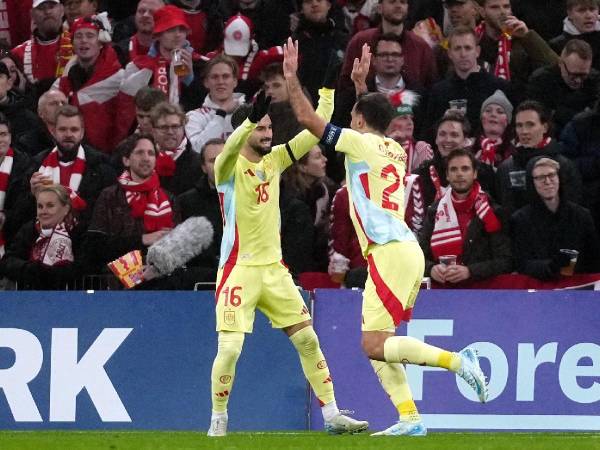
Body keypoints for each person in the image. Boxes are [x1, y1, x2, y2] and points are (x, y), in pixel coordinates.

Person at [284, 38, 488, 436]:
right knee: (378, 341)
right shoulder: (392, 147)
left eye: (354, 115)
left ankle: (459, 362)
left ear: (357, 120)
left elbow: (310, 119)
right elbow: (370, 119)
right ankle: (409, 417)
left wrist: (293, 79)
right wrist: (362, 89)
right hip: (400, 250)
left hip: (391, 251)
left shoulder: (360, 142)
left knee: (374, 344)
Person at [207, 79, 368, 436]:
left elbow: (312, 133)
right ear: (245, 129)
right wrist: (249, 120)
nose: (268, 132)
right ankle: (218, 419)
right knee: (231, 348)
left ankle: (332, 415)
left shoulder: (276, 159)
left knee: (308, 340)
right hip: (238, 270)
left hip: (274, 270)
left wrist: (326, 91)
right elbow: (230, 147)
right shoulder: (228, 169)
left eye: (268, 127)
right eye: (261, 127)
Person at [419, 149, 512, 285]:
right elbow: (419, 256)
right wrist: (431, 269)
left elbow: (506, 261)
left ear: (474, 174)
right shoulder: (434, 211)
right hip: (443, 291)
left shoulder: (492, 212)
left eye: (465, 169)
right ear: (447, 176)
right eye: (454, 169)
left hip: (481, 291)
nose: (459, 174)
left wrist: (470, 271)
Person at [85, 133, 176, 273]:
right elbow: (95, 246)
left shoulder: (169, 198)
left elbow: (178, 246)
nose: (146, 158)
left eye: (151, 153)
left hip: (159, 278)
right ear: (126, 160)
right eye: (139, 152)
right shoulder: (109, 196)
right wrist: (143, 239)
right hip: (117, 279)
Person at [28, 105, 117, 231]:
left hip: (84, 240)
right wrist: (31, 194)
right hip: (42, 236)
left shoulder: (101, 167)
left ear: (82, 133)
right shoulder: (36, 165)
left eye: (74, 130)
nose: (68, 134)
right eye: (63, 129)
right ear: (53, 132)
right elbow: (22, 215)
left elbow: (106, 215)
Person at [511, 157, 600, 279]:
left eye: (551, 175)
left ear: (559, 178)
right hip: (540, 287)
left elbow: (594, 259)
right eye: (540, 177)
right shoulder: (520, 219)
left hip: (577, 287)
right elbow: (521, 263)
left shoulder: (581, 215)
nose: (547, 181)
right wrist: (551, 266)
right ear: (531, 183)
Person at [53, 13, 127, 153]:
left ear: (100, 43)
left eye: (90, 36)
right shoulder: (66, 79)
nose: (83, 41)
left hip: (107, 153)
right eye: (79, 36)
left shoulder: (118, 78)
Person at [496, 100, 582, 213]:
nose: (524, 131)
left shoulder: (564, 166)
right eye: (519, 125)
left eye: (530, 125)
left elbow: (573, 212)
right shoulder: (506, 168)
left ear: (545, 127)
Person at [425, 27, 511, 134]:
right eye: (457, 48)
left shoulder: (499, 87)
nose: (463, 54)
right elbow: (427, 133)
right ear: (449, 54)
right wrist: (444, 121)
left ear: (477, 51)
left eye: (468, 48)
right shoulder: (439, 91)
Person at [0, 184, 85, 289]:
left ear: (65, 209)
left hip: (72, 298)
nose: (44, 211)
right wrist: (32, 269)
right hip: (28, 297)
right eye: (40, 206)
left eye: (50, 206)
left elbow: (84, 266)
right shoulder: (30, 229)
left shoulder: (79, 231)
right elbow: (8, 261)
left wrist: (56, 272)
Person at [475, 0, 558, 94]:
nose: (503, 12)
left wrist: (528, 36)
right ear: (482, 12)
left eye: (506, 6)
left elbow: (557, 69)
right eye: (495, 7)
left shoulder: (523, 40)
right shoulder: (472, 40)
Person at [281, 145, 338, 276]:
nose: (325, 159)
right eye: (318, 157)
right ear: (302, 167)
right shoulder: (290, 201)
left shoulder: (328, 190)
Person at [176, 138, 224, 288]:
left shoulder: (253, 198)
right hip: (199, 283)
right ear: (203, 167)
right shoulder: (185, 202)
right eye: (213, 161)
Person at [527, 39, 600, 135]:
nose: (578, 80)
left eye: (583, 75)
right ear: (561, 63)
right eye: (573, 74)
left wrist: (558, 113)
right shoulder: (540, 80)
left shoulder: (595, 79)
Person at [185, 55, 245, 153]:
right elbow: (198, 150)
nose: (220, 82)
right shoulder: (194, 116)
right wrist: (221, 114)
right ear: (206, 82)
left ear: (235, 81)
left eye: (225, 76)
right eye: (214, 77)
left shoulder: (251, 112)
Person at [151, 101, 202, 196]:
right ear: (154, 131)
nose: (170, 132)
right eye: (164, 127)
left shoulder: (198, 164)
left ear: (183, 128)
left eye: (175, 127)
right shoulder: (145, 160)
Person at [0, 113, 32, 256]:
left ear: (10, 137)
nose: (0, 140)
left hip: (13, 239)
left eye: (3, 134)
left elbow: (25, 205)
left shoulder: (25, 165)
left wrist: (6, 217)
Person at [549, 0, 600, 70]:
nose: (589, 15)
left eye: (592, 9)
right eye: (581, 10)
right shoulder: (557, 45)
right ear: (569, 14)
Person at [471, 89, 515, 169]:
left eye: (500, 112)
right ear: (481, 118)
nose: (493, 114)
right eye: (488, 111)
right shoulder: (469, 148)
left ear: (508, 120)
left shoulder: (516, 151)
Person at [17, 89, 67, 157]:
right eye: (54, 103)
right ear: (40, 113)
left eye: (64, 103)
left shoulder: (78, 136)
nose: (61, 106)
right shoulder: (27, 142)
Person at [114, 0, 165, 66]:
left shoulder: (172, 51)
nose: (145, 15)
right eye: (141, 11)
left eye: (152, 12)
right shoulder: (118, 51)